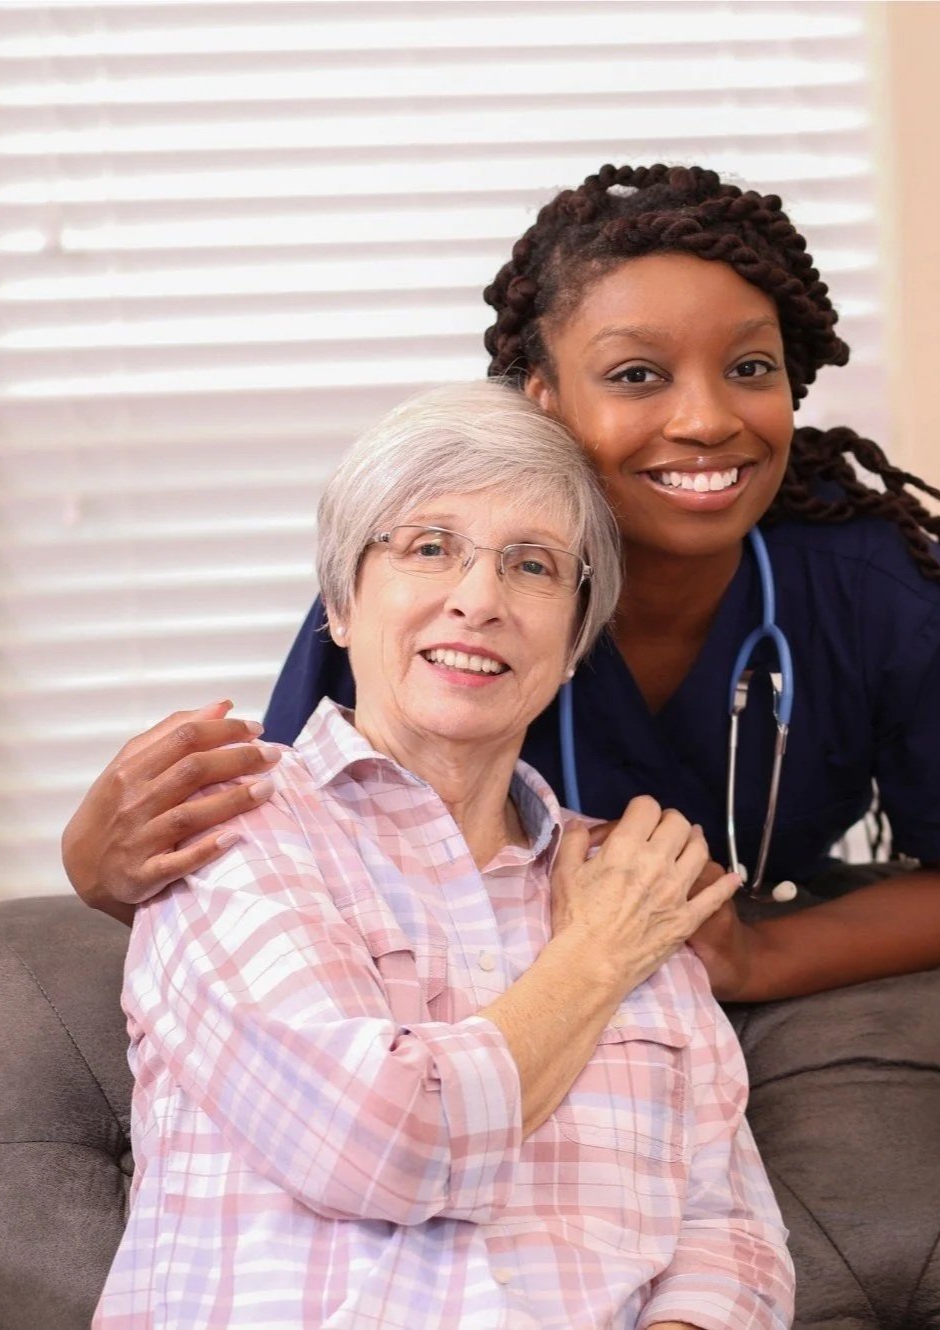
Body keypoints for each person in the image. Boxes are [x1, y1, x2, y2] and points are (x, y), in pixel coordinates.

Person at [63, 163, 940, 1002]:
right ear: (540, 396)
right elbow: (273, 875)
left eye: (750, 367)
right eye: (637, 374)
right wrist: (95, 867)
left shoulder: (875, 588)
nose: (709, 418)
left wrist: (757, 955)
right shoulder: (431, 597)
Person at [94, 380, 793, 1330]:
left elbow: (731, 1233)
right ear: (341, 604)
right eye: (429, 549)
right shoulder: (235, 831)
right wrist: (597, 958)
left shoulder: (631, 883)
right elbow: (387, 1141)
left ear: (577, 637)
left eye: (534, 566)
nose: (480, 601)